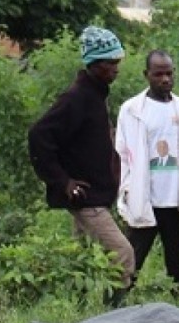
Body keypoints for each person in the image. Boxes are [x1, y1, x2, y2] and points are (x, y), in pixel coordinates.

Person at [29, 26, 135, 298]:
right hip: (88, 200)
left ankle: (80, 314)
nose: (116, 69)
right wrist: (62, 181)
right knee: (122, 254)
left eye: (117, 62)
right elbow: (39, 135)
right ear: (94, 64)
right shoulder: (77, 98)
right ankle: (114, 315)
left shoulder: (95, 95)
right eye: (110, 63)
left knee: (83, 262)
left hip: (95, 197)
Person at [116, 50, 179, 294]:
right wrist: (127, 188)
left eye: (169, 73)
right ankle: (115, 303)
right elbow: (122, 153)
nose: (165, 79)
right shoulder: (132, 109)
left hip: (174, 197)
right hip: (144, 196)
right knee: (132, 258)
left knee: (176, 261)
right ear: (146, 75)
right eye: (158, 74)